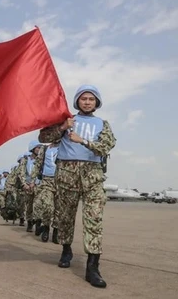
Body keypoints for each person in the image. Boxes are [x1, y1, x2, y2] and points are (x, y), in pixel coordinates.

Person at [38, 85, 116, 288]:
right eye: (83, 99)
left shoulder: (102, 124)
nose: (87, 102)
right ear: (77, 101)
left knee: (94, 219)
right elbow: (43, 137)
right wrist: (63, 128)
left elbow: (106, 147)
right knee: (64, 217)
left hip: (93, 177)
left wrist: (83, 141)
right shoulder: (66, 120)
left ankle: (93, 267)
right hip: (66, 176)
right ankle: (66, 249)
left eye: (91, 99)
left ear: (97, 102)